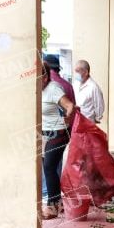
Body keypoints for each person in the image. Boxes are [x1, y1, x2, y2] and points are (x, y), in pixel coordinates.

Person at [42, 61, 78, 219]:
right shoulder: (37, 90)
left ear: (44, 77)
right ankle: (57, 203)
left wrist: (67, 118)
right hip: (44, 133)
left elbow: (70, 105)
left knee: (49, 167)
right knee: (48, 167)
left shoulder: (53, 88)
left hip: (59, 132)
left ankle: (53, 206)